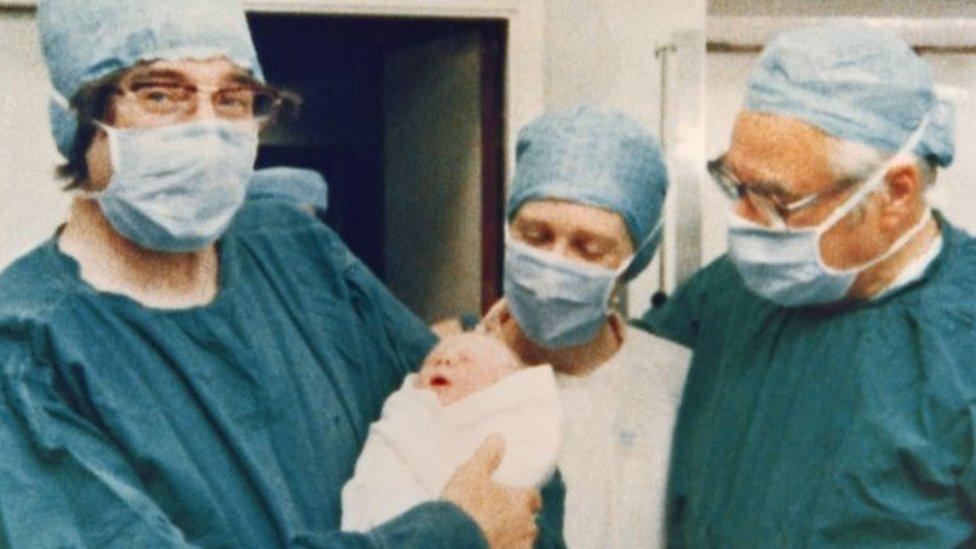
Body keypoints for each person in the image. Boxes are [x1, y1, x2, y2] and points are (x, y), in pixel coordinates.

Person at [0, 0, 563, 547]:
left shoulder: (296, 253)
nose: (205, 130)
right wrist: (449, 537)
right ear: (77, 116)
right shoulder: (27, 350)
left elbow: (490, 432)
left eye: (233, 97)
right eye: (160, 93)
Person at [637, 24, 975, 546]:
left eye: (775, 199)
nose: (741, 217)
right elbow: (617, 367)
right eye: (735, 183)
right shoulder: (729, 293)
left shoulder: (962, 339)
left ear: (896, 192)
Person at [480, 105, 691, 549]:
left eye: (589, 248)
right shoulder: (447, 373)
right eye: (535, 236)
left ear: (632, 261)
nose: (556, 262)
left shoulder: (678, 384)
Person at [341, 333, 560, 532]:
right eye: (432, 360)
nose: (444, 360)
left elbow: (521, 482)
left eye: (465, 360)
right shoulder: (408, 413)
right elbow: (380, 473)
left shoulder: (506, 425)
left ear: (499, 388)